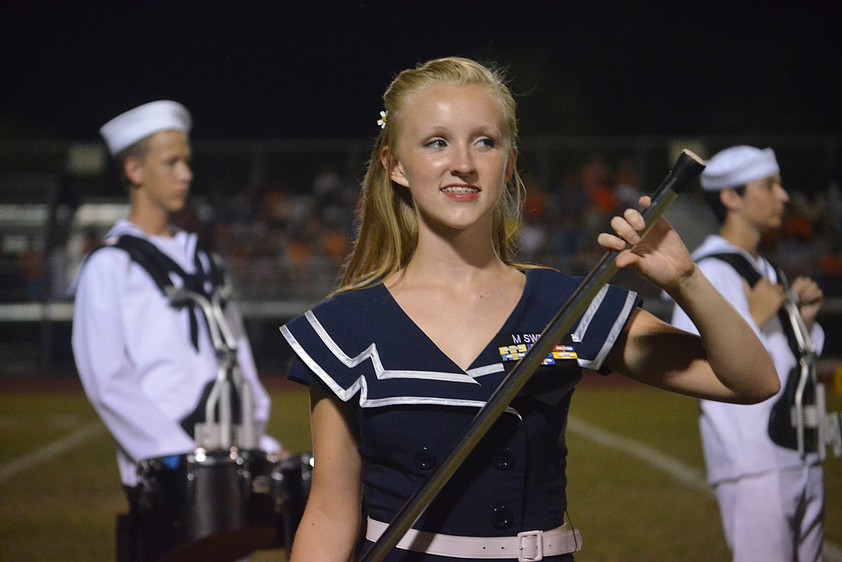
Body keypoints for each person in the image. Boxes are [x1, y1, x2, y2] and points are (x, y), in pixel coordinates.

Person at [279, 57, 778, 561]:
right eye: (436, 142)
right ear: (395, 165)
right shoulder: (346, 326)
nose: (463, 163)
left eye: (485, 142)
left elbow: (751, 381)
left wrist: (688, 281)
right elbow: (331, 512)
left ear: (509, 162)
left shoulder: (566, 303)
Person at [71, 100, 282, 561]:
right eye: (171, 162)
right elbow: (107, 379)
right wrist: (181, 459)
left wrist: (257, 445)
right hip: (169, 477)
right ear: (134, 169)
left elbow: (237, 359)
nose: (186, 174)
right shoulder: (109, 266)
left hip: (229, 465)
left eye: (186, 161)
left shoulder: (204, 259)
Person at [669, 145, 825, 562]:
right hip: (753, 461)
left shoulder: (765, 268)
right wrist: (754, 317)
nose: (783, 196)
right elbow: (691, 359)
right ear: (730, 197)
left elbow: (786, 357)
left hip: (801, 453)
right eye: (768, 186)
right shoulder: (706, 272)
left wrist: (802, 323)